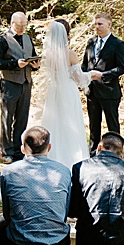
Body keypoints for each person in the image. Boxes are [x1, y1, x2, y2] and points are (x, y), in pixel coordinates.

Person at [0, 126, 73, 245]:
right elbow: (64, 213)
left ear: (23, 149)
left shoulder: (8, 172)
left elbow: (8, 213)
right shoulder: (63, 171)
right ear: (49, 147)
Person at [68, 132, 124, 245]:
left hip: (89, 240)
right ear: (120, 155)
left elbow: (73, 210)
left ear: (99, 148)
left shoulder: (80, 168)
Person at [38, 19, 90, 168]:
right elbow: (79, 79)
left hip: (54, 89)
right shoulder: (70, 54)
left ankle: (52, 155)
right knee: (71, 123)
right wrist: (91, 74)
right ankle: (72, 157)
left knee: (54, 123)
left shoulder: (48, 54)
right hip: (68, 90)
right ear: (66, 34)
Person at [0, 12, 40, 163]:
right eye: (19, 26)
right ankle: (6, 151)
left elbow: (33, 56)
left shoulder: (27, 38)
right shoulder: (2, 40)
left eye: (24, 25)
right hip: (10, 83)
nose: (22, 28)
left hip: (26, 83)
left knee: (22, 118)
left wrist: (35, 66)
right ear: (12, 23)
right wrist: (14, 64)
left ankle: (19, 150)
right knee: (7, 118)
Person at [81, 13, 124, 155]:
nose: (97, 27)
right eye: (95, 24)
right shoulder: (91, 42)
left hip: (109, 90)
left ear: (109, 24)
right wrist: (83, 78)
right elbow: (85, 65)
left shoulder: (117, 44)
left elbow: (122, 67)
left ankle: (115, 151)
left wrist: (103, 75)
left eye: (100, 24)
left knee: (112, 124)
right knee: (94, 125)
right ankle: (93, 151)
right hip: (92, 91)